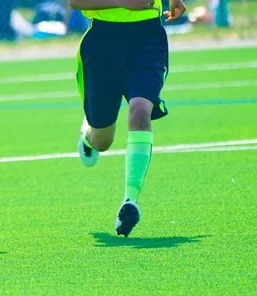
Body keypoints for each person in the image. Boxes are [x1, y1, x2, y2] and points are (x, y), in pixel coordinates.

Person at [70, 0, 186, 237]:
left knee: (141, 110)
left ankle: (129, 201)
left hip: (147, 38)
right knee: (103, 141)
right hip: (102, 44)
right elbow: (74, 2)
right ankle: (88, 136)